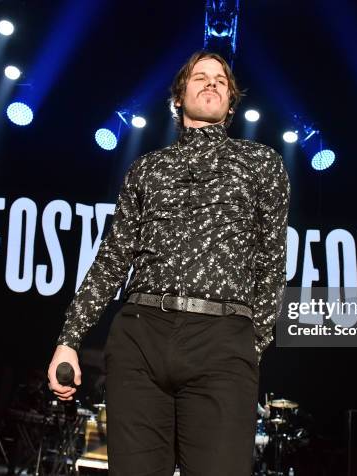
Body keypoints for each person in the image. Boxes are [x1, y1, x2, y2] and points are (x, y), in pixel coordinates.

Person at [47, 50, 290, 476]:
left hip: (222, 341)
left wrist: (251, 344)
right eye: (200, 76)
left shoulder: (261, 163)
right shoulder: (146, 169)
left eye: (221, 79)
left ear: (232, 102)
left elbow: (272, 261)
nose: (212, 82)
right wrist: (69, 338)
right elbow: (112, 258)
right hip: (141, 336)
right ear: (179, 97)